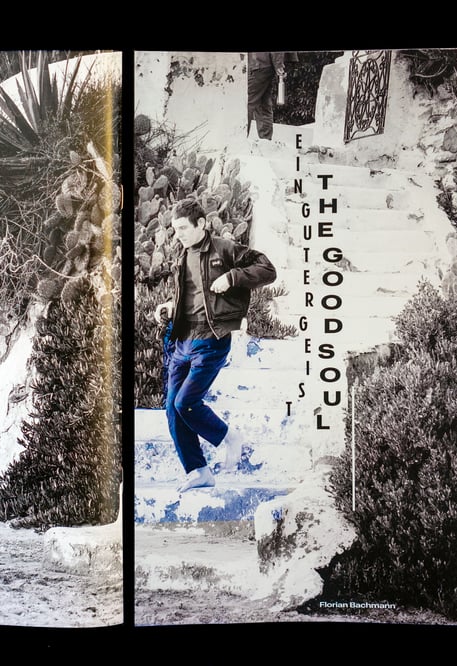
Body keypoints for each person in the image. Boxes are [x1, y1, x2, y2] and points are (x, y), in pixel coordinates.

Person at [154, 198, 277, 492]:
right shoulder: (182, 256)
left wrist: (233, 277)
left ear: (201, 224)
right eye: (175, 229)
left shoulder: (225, 249)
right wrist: (171, 306)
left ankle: (229, 438)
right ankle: (198, 471)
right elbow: (192, 296)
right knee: (173, 409)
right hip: (182, 339)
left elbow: (267, 269)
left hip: (212, 339)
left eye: (183, 228)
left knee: (186, 402)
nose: (179, 234)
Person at [247, 52, 286, 140]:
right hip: (263, 64)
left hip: (257, 64)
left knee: (247, 103)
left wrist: (279, 65)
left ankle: (238, 141)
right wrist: (278, 65)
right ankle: (265, 141)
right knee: (263, 103)